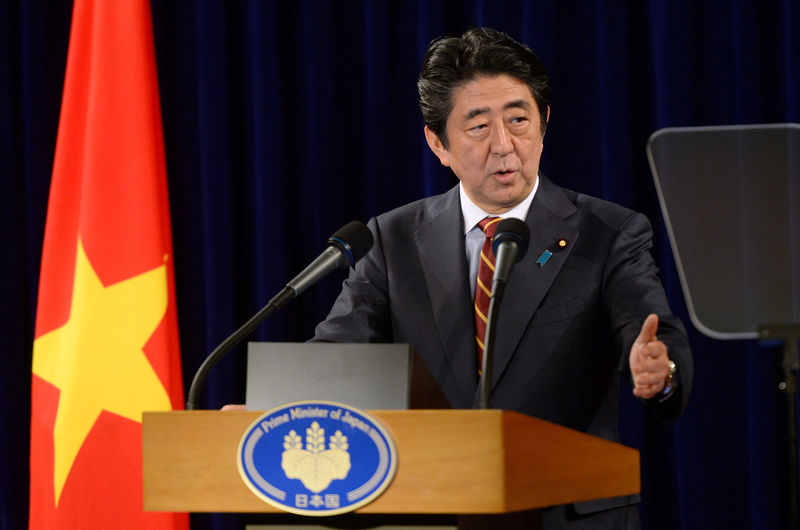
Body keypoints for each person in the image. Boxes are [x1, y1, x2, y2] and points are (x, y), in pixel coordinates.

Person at [312, 27, 692, 529]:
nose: (504, 145)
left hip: (566, 512)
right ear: (438, 143)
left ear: (544, 122)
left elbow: (649, 329)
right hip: (435, 509)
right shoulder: (392, 239)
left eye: (519, 120)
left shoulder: (607, 232)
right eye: (478, 127)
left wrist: (658, 371)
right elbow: (334, 360)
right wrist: (274, 412)